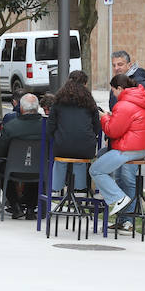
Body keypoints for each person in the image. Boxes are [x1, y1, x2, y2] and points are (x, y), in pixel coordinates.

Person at [91, 73, 145, 224]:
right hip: (141, 149)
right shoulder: (141, 100)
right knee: (115, 174)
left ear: (119, 88)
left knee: (95, 170)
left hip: (127, 149)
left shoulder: (124, 105)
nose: (113, 94)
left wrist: (104, 117)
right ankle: (115, 199)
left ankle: (117, 197)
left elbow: (112, 131)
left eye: (113, 90)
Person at [0, 93, 44, 218]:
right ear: (37, 108)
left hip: (13, 170)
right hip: (40, 170)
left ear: (21, 108)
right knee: (39, 165)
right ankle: (31, 208)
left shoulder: (11, 127)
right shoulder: (46, 126)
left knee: (0, 167)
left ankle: (15, 206)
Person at [48, 69, 99, 197]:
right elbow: (96, 126)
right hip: (85, 148)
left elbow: (51, 126)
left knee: (60, 161)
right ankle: (80, 190)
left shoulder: (58, 102)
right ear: (85, 84)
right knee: (80, 161)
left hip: (62, 146)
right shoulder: (90, 102)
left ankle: (56, 188)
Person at [109, 50, 145, 122]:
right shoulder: (117, 81)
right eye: (114, 65)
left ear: (129, 65)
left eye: (120, 64)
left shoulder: (137, 81)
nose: (116, 68)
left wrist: (142, 123)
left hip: (131, 131)